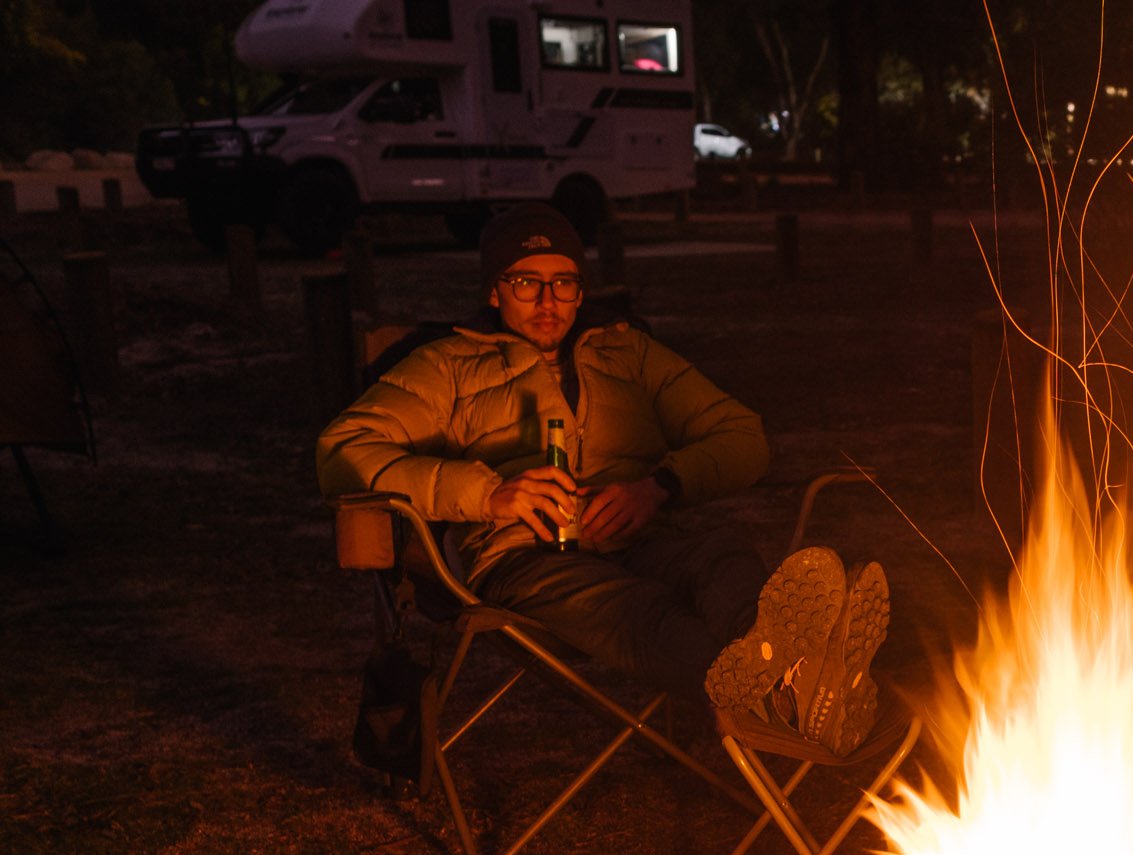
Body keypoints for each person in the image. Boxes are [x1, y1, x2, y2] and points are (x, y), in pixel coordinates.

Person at [317, 203, 886, 753]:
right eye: (525, 283)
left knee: (721, 553)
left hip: (640, 537)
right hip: (524, 559)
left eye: (564, 283)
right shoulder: (447, 366)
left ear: (581, 290)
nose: (548, 301)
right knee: (640, 610)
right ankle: (786, 696)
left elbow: (743, 435)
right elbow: (341, 450)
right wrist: (487, 493)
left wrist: (660, 485)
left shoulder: (627, 353)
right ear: (493, 291)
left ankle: (795, 675)